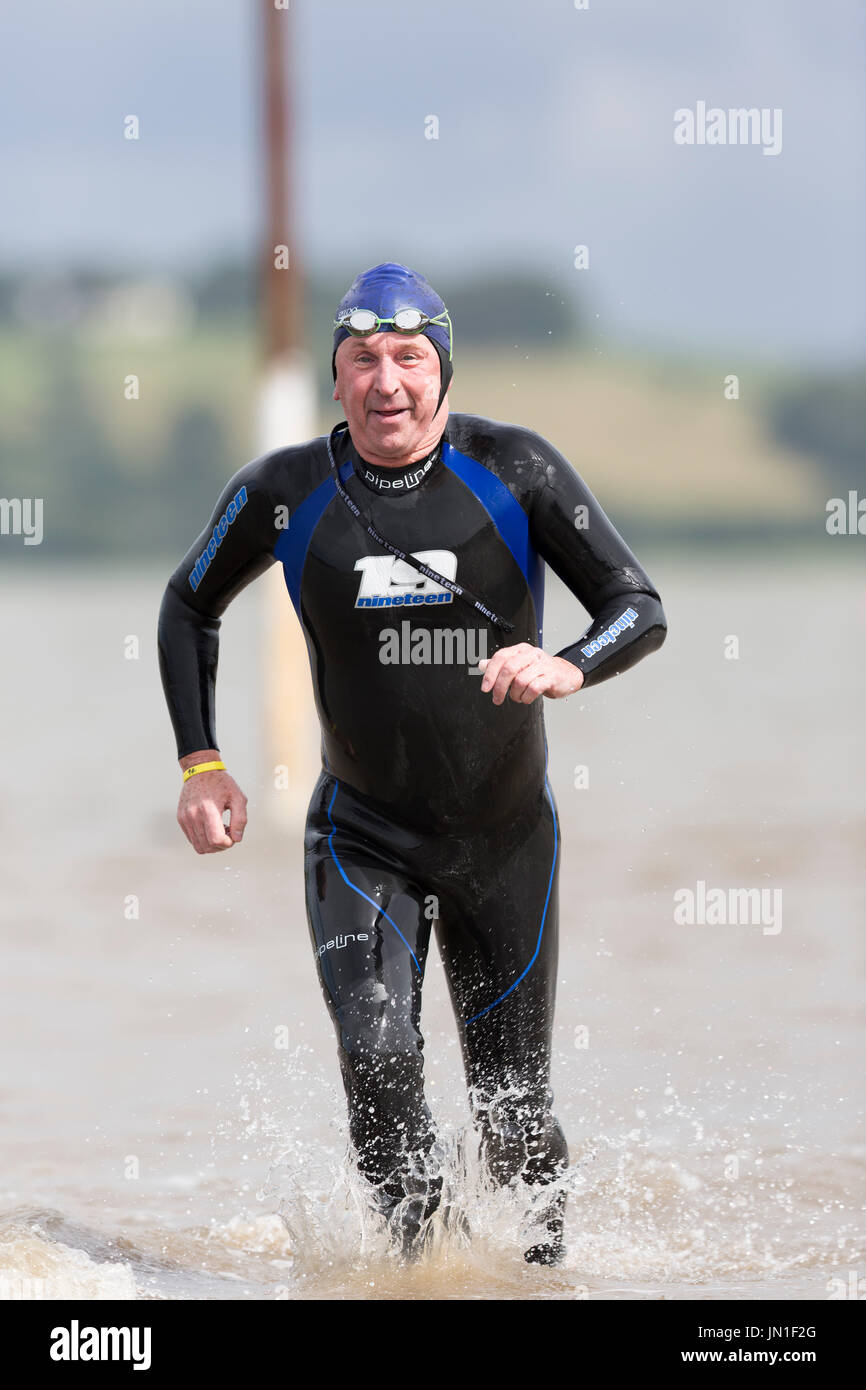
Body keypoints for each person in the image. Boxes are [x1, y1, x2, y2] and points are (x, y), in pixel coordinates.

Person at [157, 262, 667, 1265]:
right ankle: (421, 1274)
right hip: (363, 838)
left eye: (407, 359)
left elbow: (636, 605)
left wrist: (562, 667)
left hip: (505, 840)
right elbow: (187, 605)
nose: (385, 381)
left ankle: (535, 1283)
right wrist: (199, 763)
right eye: (361, 361)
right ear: (335, 379)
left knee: (513, 1115)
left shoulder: (513, 470)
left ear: (441, 372)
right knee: (379, 1069)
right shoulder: (284, 493)